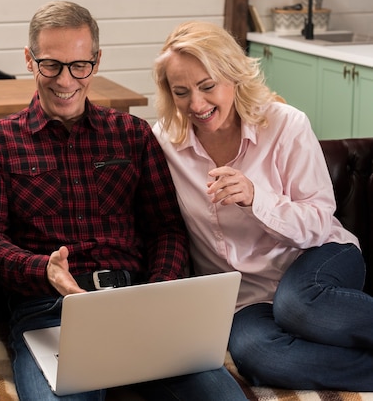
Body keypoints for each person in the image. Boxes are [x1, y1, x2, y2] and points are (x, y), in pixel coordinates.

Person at [0, 1, 247, 401]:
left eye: (79, 65)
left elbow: (166, 228)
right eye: (51, 64)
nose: (66, 80)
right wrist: (43, 270)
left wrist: (159, 292)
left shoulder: (132, 134)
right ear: (29, 60)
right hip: (50, 312)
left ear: (96, 62)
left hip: (136, 302)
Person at [152, 20, 373, 391]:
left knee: (297, 307)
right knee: (259, 355)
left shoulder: (286, 125)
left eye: (208, 86)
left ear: (234, 76)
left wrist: (258, 198)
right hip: (243, 296)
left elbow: (319, 221)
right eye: (181, 92)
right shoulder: (165, 143)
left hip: (314, 257)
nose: (197, 104)